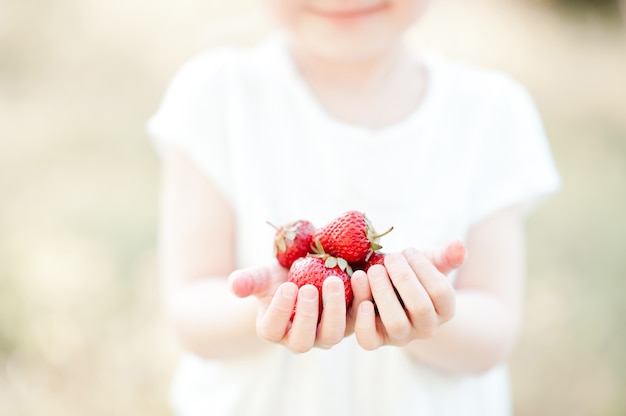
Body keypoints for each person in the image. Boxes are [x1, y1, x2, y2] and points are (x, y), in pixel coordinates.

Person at [147, 0, 561, 414]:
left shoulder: (490, 111)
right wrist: (273, 305)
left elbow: (495, 329)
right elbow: (191, 310)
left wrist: (425, 312)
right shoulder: (215, 95)